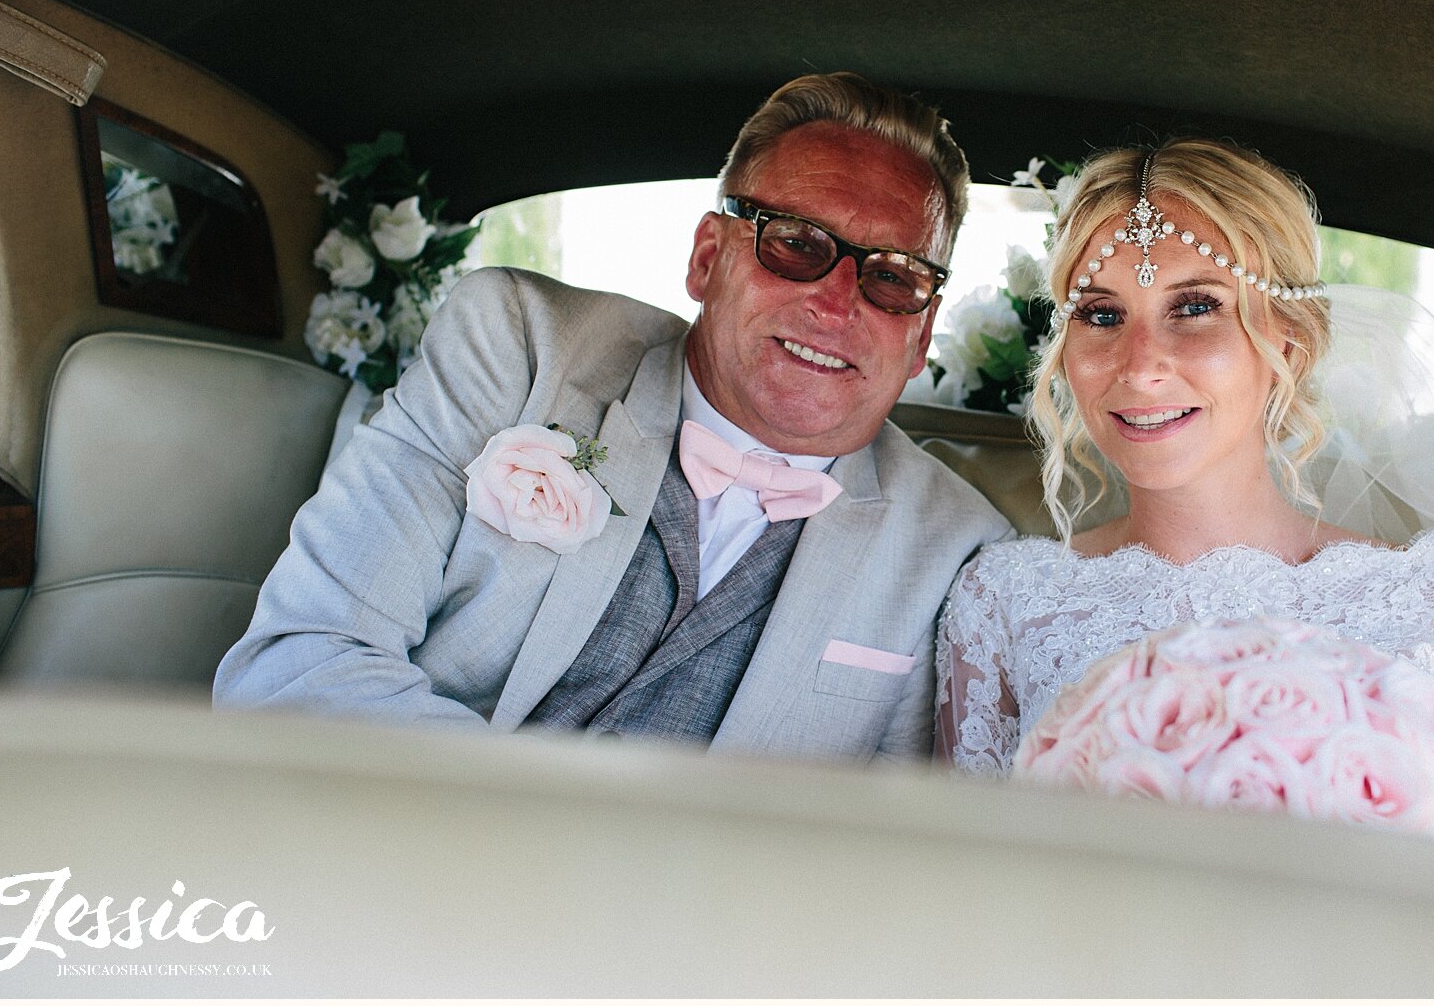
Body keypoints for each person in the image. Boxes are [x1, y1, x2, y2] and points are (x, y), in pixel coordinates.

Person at [936, 136, 1434, 880]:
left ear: (1292, 342)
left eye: (1195, 306)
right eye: (1102, 315)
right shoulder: (1003, 604)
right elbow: (960, 895)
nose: (1141, 364)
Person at [217, 72, 1012, 758]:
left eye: (893, 278)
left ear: (922, 334)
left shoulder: (955, 551)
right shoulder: (520, 349)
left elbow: (895, 851)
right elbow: (297, 662)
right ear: (708, 257)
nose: (836, 304)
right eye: (797, 244)